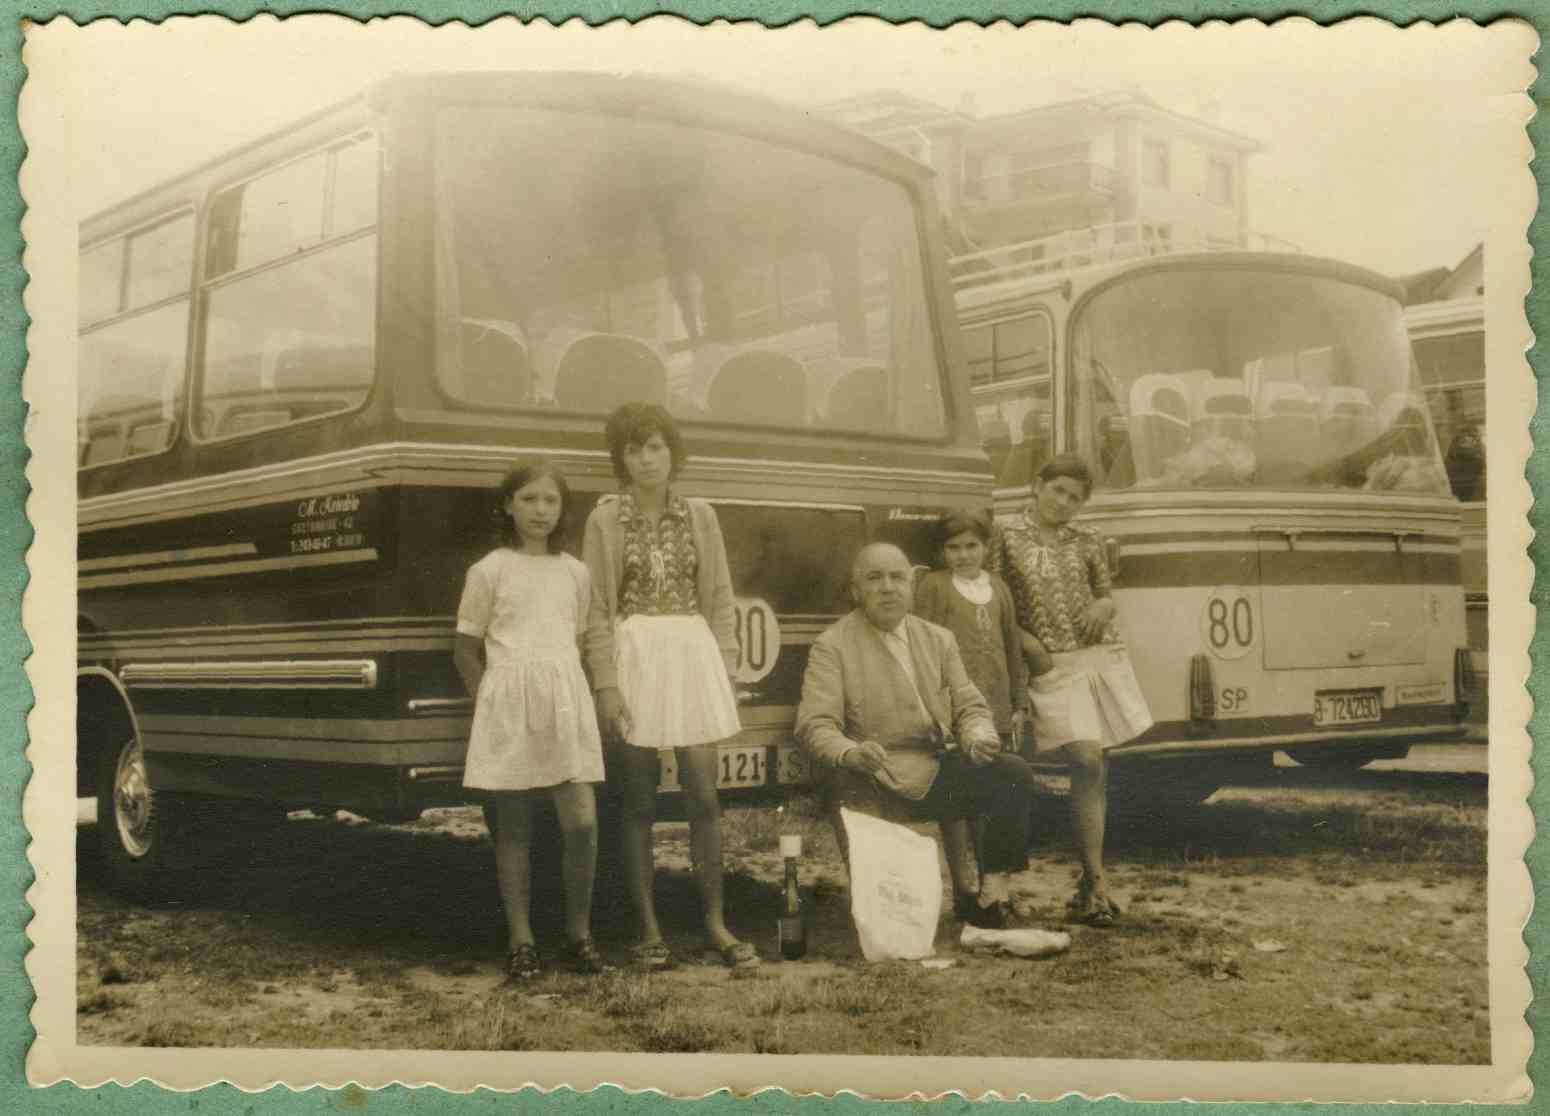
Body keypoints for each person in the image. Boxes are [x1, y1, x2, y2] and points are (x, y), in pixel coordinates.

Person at [582, 403, 759, 973]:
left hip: (692, 656)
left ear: (672, 453)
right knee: (637, 802)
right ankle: (648, 928)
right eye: (634, 449)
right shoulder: (605, 519)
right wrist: (606, 685)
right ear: (621, 459)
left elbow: (721, 601)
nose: (646, 459)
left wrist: (725, 674)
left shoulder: (700, 515)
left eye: (656, 447)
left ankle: (714, 922)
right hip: (634, 656)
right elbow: (598, 609)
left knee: (704, 797)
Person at [796, 541, 1038, 929]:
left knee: (1012, 773)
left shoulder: (937, 638)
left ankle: (992, 893)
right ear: (856, 591)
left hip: (932, 770)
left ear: (912, 584)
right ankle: (880, 912)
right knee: (843, 782)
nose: (887, 587)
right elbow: (814, 724)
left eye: (897, 577)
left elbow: (969, 705)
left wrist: (977, 736)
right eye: (874, 578)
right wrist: (851, 752)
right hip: (871, 776)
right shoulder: (833, 645)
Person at [453, 461, 609, 981]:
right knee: (514, 828)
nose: (540, 510)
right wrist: (489, 706)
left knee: (582, 822)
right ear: (508, 505)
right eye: (529, 499)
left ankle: (579, 933)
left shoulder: (575, 572)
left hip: (563, 700)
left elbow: (580, 643)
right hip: (508, 705)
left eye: (551, 501)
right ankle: (522, 939)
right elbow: (465, 650)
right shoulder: (489, 569)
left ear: (562, 510)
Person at [990, 453, 1140, 928]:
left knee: (1095, 764)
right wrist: (1024, 640)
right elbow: (991, 597)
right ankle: (1085, 881)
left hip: (1094, 658)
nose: (1063, 503)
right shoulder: (1005, 535)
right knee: (1086, 757)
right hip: (1046, 663)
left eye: (1074, 498)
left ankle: (1092, 884)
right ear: (1037, 486)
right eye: (1057, 490)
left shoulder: (1088, 539)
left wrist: (1103, 607)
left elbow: (1104, 592)